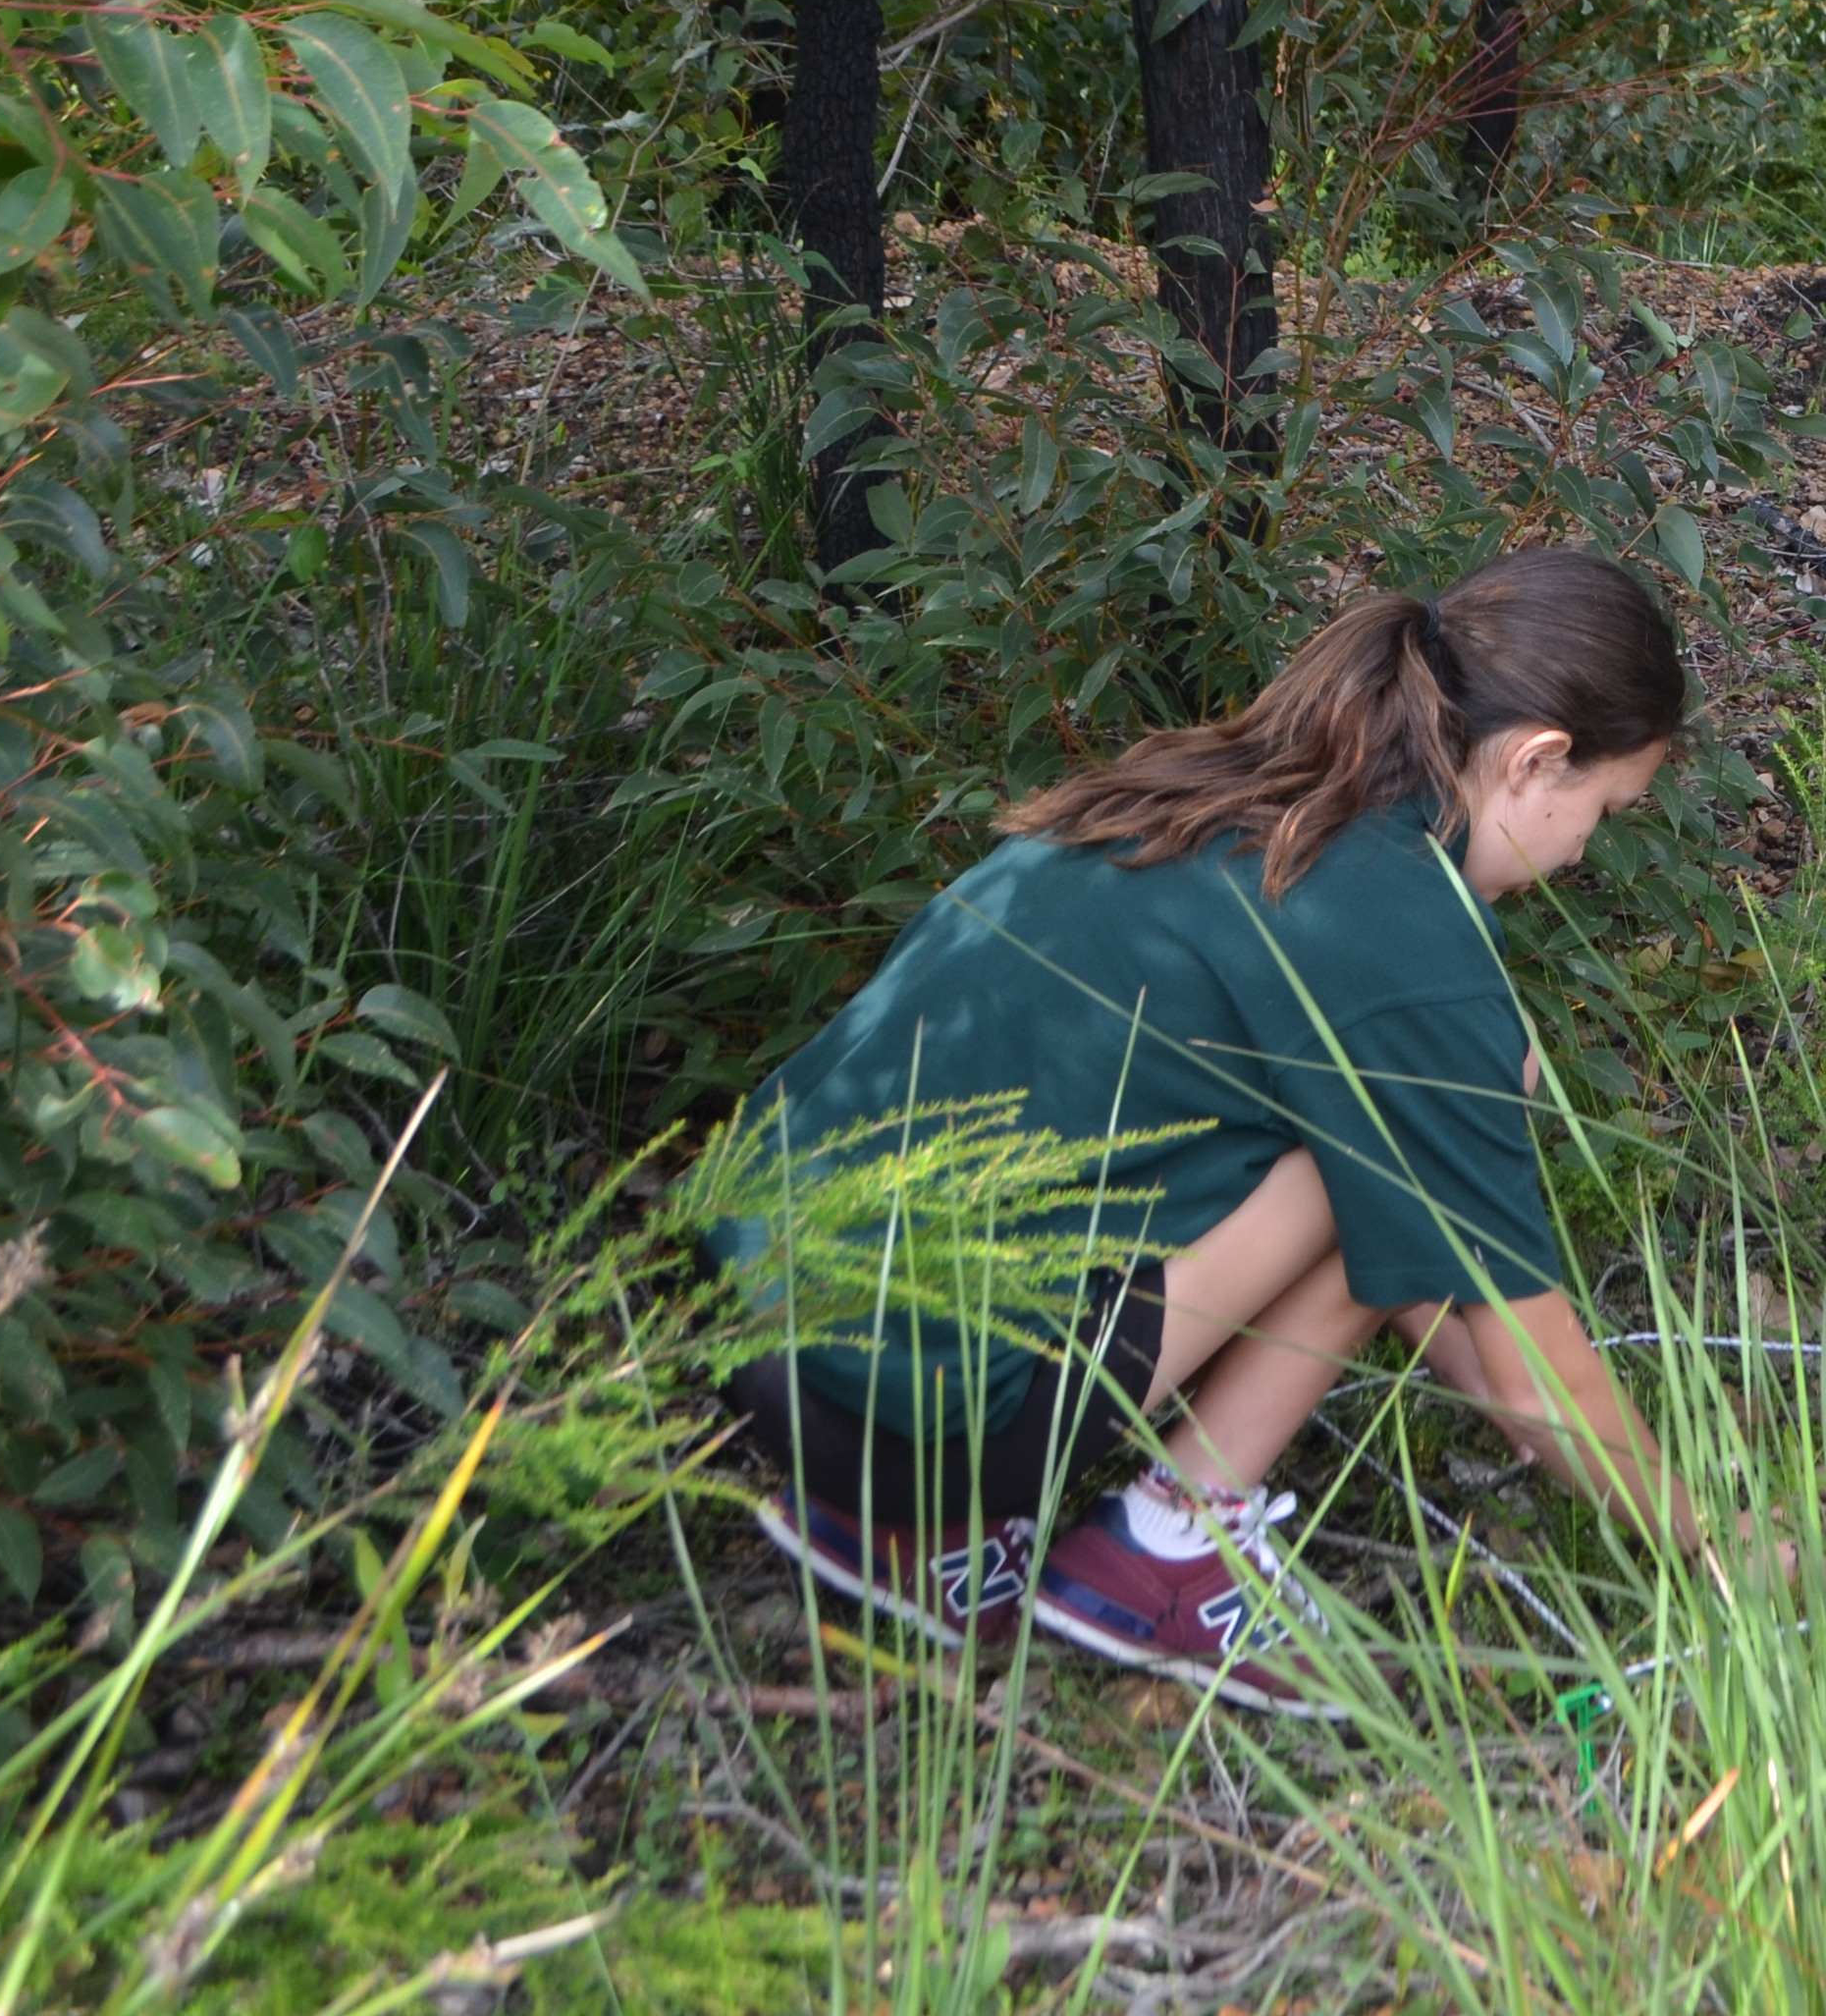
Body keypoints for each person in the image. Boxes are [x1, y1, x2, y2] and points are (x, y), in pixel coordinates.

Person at [715, 547, 1708, 1716]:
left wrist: (1492, 1376)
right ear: (1537, 758)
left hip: (752, 1327)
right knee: (1423, 1116)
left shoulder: (1219, 790)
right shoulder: (1404, 934)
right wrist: (1706, 1543)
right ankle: (1170, 1547)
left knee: (1402, 1118)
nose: (1582, 853)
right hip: (911, 1418)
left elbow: (1470, 1324)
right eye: (1601, 812)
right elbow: (1533, 1382)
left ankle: (903, 1532)